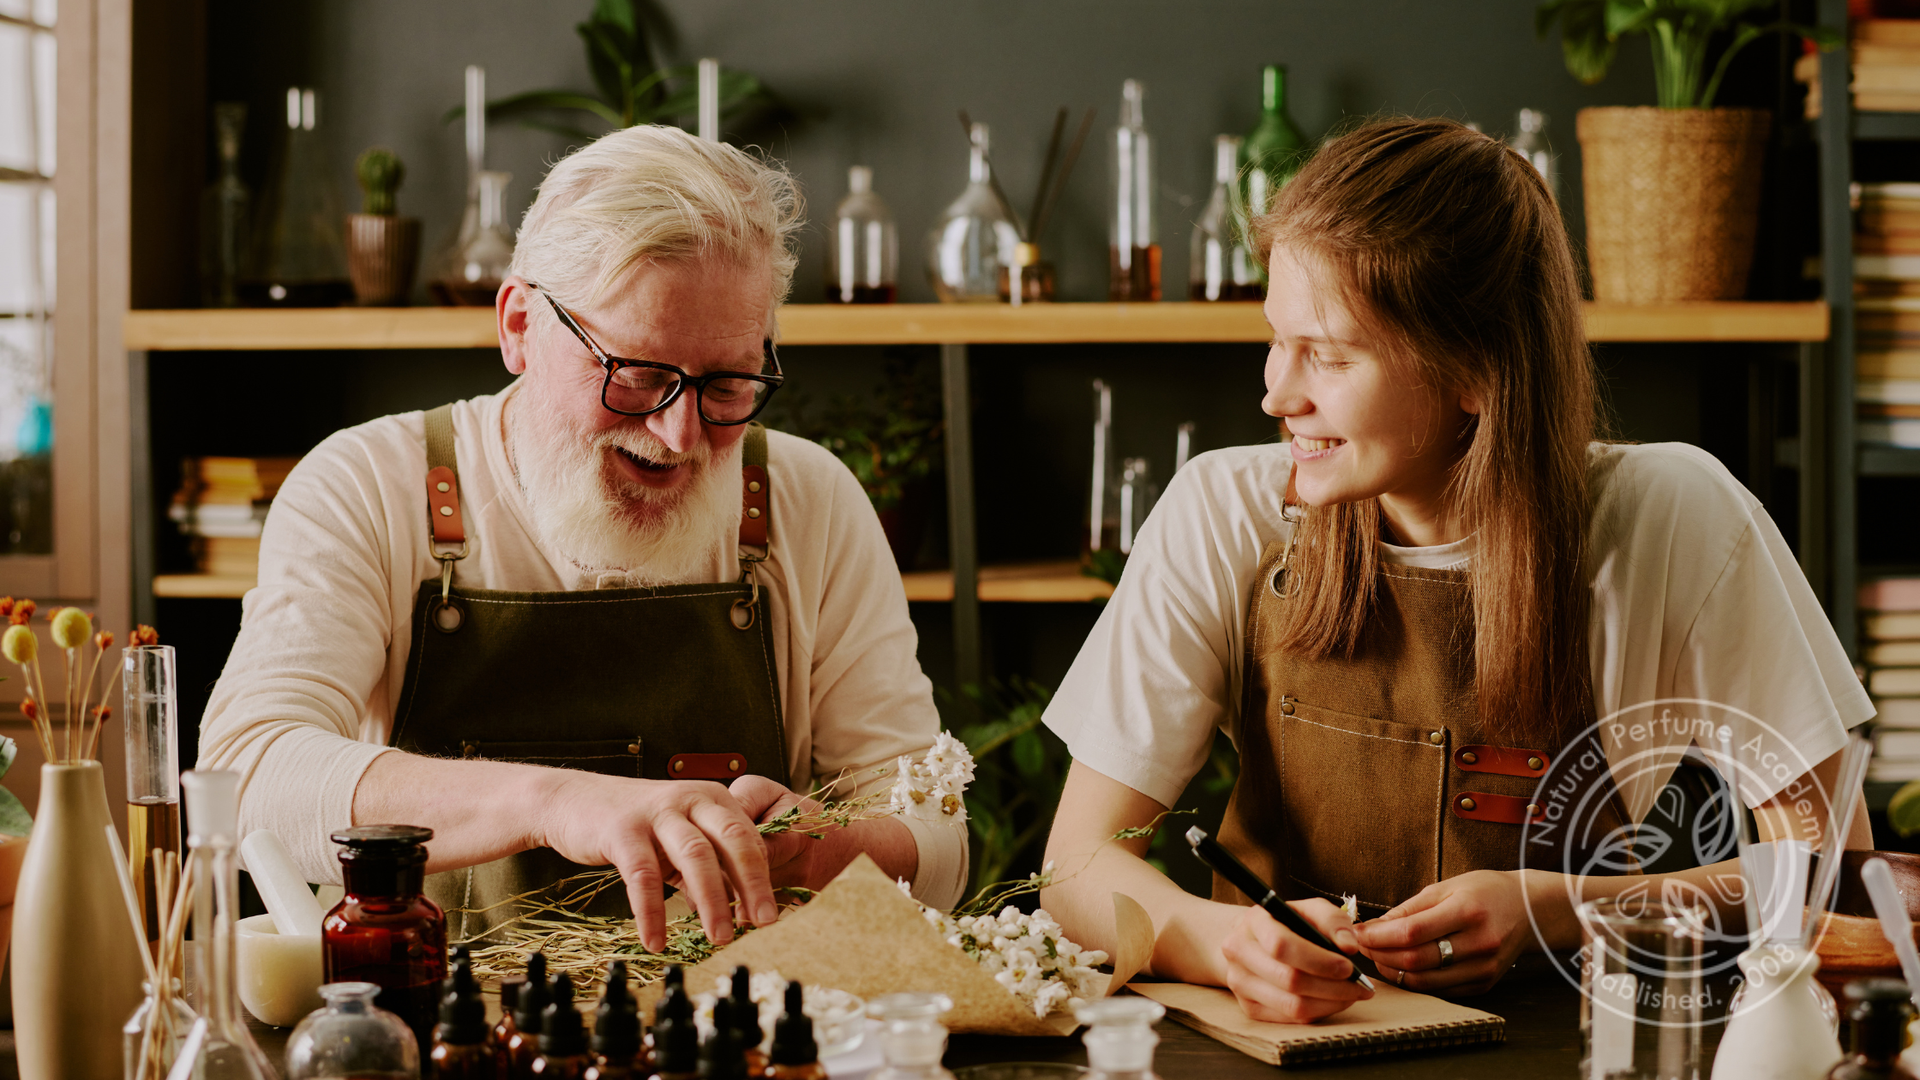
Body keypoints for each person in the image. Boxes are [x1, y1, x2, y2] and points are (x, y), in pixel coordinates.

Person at [1038, 117, 1873, 1023]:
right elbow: (1074, 867)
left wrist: (1559, 909)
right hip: (1280, 1041)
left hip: (1565, 1039)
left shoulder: (1673, 517)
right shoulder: (1222, 512)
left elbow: (1837, 868)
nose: (1278, 393)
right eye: (1277, 338)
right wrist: (1220, 942)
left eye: (1331, 351)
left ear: (1477, 369)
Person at [197, 125, 967, 949]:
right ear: (520, 324)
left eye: (730, 384)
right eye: (637, 375)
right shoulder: (368, 487)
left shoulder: (806, 500)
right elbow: (250, 775)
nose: (678, 436)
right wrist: (557, 804)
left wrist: (821, 850)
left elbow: (936, 837)